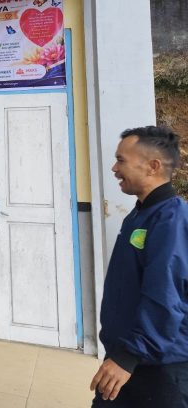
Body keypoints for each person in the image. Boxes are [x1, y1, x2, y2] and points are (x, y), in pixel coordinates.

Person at [90, 126, 188, 407]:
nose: (114, 168)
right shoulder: (140, 213)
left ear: (152, 166)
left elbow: (166, 297)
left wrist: (129, 355)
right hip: (128, 356)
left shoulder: (172, 220)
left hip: (159, 366)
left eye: (121, 160)